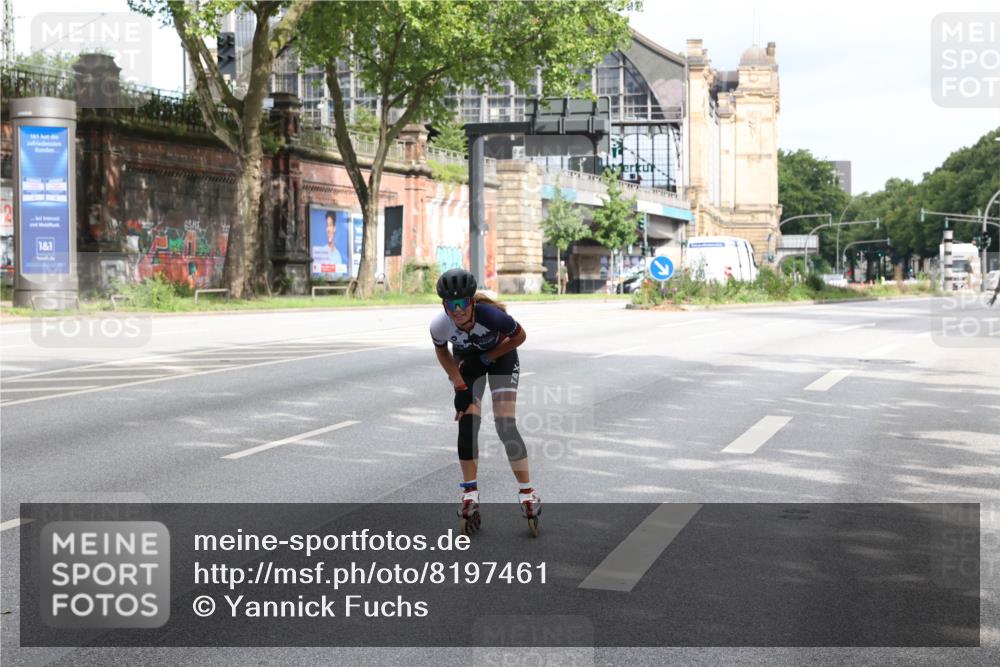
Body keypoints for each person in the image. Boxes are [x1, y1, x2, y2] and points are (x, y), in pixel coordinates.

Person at [430, 268, 540, 536]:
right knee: (467, 423)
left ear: (472, 302)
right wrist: (458, 383)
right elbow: (442, 352)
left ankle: (527, 494)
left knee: (505, 425)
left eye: (463, 303)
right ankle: (470, 493)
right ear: (443, 304)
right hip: (469, 364)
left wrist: (490, 356)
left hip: (502, 356)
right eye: (450, 304)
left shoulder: (492, 316)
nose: (457, 310)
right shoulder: (439, 325)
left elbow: (520, 337)